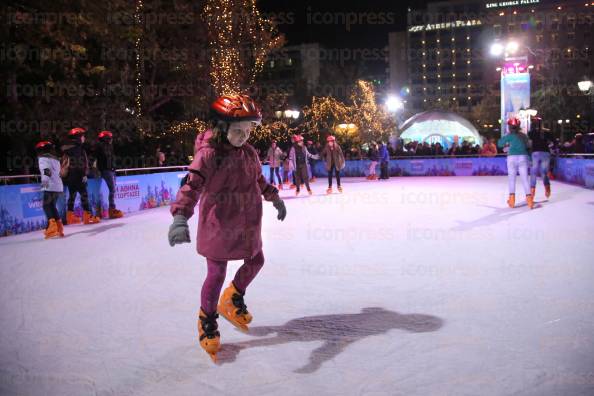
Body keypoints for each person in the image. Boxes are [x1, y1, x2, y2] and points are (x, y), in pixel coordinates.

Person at [167, 94, 287, 362]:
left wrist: (275, 198)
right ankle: (207, 319)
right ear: (221, 127)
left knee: (257, 260)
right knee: (216, 272)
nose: (244, 136)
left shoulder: (249, 153)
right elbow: (191, 185)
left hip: (247, 222)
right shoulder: (208, 155)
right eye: (237, 131)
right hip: (218, 224)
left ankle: (232, 298)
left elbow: (259, 181)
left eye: (248, 131)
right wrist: (180, 217)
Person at [61, 127, 101, 224]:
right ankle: (88, 216)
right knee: (84, 195)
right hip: (77, 176)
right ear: (78, 137)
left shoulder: (68, 148)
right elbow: (79, 164)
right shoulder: (77, 149)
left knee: (72, 196)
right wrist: (83, 175)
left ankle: (69, 217)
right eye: (82, 136)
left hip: (70, 177)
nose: (84, 138)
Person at [497, 118, 534, 209]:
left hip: (512, 157)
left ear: (509, 127)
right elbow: (529, 147)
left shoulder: (509, 135)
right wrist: (530, 159)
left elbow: (499, 144)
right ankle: (529, 201)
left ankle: (512, 201)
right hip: (523, 157)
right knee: (525, 179)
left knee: (512, 179)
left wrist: (506, 141)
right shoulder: (524, 136)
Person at [36, 140, 65, 239]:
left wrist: (44, 185)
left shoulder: (43, 159)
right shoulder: (55, 159)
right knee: (52, 206)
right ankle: (59, 227)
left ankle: (52, 228)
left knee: (46, 206)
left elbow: (46, 172)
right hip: (58, 186)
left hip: (50, 186)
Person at [96, 131, 124, 218]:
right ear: (106, 139)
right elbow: (104, 159)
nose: (112, 140)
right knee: (112, 189)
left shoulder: (109, 147)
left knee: (113, 189)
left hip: (111, 170)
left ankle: (112, 209)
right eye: (110, 138)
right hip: (106, 170)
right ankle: (112, 209)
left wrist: (114, 167)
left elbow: (111, 159)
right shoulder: (102, 147)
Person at [528, 117, 552, 199]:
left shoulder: (531, 132)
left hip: (535, 153)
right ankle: (547, 189)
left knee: (533, 172)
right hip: (545, 152)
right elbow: (553, 141)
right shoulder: (547, 132)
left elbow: (529, 144)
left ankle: (532, 192)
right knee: (544, 172)